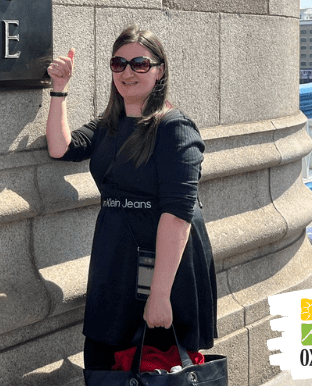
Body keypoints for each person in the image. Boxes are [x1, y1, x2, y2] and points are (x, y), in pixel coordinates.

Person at [45, 25, 217, 374]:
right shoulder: (109, 124)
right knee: (104, 359)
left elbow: (178, 215)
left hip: (161, 266)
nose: (127, 72)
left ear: (159, 70)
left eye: (139, 63)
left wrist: (160, 293)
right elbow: (61, 148)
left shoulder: (174, 128)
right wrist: (59, 91)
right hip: (116, 259)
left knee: (158, 368)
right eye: (118, 63)